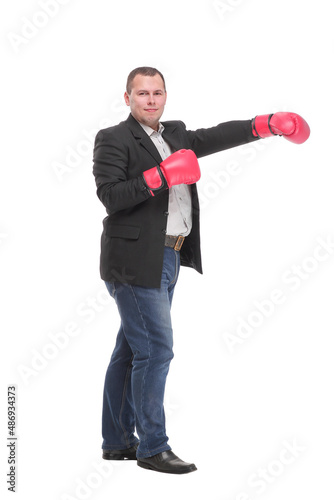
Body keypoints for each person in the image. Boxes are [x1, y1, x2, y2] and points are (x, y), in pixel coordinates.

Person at [92, 66, 310, 474]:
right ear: (128, 98)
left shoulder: (175, 134)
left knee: (132, 350)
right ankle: (153, 447)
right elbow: (111, 196)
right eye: (142, 94)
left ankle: (117, 440)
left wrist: (264, 125)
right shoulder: (114, 138)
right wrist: (160, 176)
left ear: (165, 96)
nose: (151, 100)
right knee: (156, 350)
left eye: (157, 92)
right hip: (135, 259)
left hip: (171, 256)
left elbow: (215, 136)